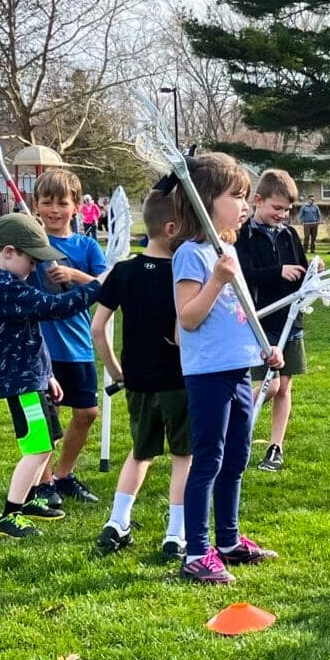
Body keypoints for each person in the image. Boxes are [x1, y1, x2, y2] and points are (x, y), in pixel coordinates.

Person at [169, 153, 286, 583]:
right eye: (235, 196)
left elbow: (240, 314)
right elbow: (189, 318)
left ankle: (229, 540)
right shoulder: (192, 256)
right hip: (208, 374)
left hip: (238, 368)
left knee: (237, 455)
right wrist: (218, 279)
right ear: (206, 201)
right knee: (209, 460)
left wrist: (265, 348)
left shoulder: (227, 250)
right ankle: (197, 552)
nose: (243, 203)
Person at [0, 213, 106, 538]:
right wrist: (98, 285)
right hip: (20, 382)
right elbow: (57, 307)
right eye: (32, 261)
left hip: (33, 375)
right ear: (9, 252)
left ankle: (32, 496)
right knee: (36, 447)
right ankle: (9, 516)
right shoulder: (3, 286)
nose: (34, 269)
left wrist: (47, 374)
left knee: (46, 441)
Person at [89, 188, 191, 560]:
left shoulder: (123, 271)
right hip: (179, 381)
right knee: (184, 456)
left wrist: (117, 372)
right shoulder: (183, 274)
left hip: (137, 380)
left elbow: (98, 329)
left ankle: (117, 522)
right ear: (171, 228)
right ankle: (176, 533)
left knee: (140, 453)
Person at [29, 170, 111, 509]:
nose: (54, 209)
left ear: (76, 207)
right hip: (39, 347)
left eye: (62, 203)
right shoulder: (31, 244)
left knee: (87, 412)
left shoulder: (86, 245)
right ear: (35, 205)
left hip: (77, 344)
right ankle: (42, 481)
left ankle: (64, 475)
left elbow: (106, 286)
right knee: (41, 418)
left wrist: (75, 275)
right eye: (46, 202)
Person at [239, 169, 310, 473]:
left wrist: (313, 271)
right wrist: (276, 271)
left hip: (289, 321)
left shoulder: (290, 234)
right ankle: (233, 416)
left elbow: (302, 272)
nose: (282, 215)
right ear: (258, 200)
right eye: (276, 208)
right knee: (268, 385)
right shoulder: (243, 234)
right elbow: (240, 276)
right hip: (258, 320)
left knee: (284, 387)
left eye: (287, 210)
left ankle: (275, 445)